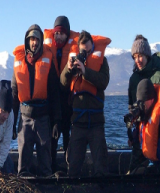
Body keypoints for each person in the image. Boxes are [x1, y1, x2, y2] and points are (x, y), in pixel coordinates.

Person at [11, 24, 61, 176]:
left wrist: (56, 121)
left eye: (37, 39)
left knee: (45, 163)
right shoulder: (18, 62)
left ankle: (47, 192)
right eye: (31, 39)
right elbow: (14, 93)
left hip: (43, 119)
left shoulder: (48, 61)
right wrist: (12, 123)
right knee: (23, 163)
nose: (34, 42)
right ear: (27, 41)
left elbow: (54, 93)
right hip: (24, 118)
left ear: (41, 41)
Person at [60, 30, 111, 177]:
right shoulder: (73, 60)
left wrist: (85, 71)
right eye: (84, 50)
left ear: (93, 46)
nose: (86, 53)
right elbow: (63, 84)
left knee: (101, 167)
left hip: (96, 123)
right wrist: (69, 70)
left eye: (89, 50)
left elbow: (103, 82)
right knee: (73, 167)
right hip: (78, 123)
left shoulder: (102, 61)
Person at [44, 16, 79, 171]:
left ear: (67, 35)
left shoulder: (74, 51)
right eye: (56, 33)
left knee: (67, 134)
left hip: (67, 99)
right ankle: (51, 165)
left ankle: (69, 165)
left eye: (62, 33)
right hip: (52, 99)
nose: (58, 36)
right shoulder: (48, 49)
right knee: (53, 134)